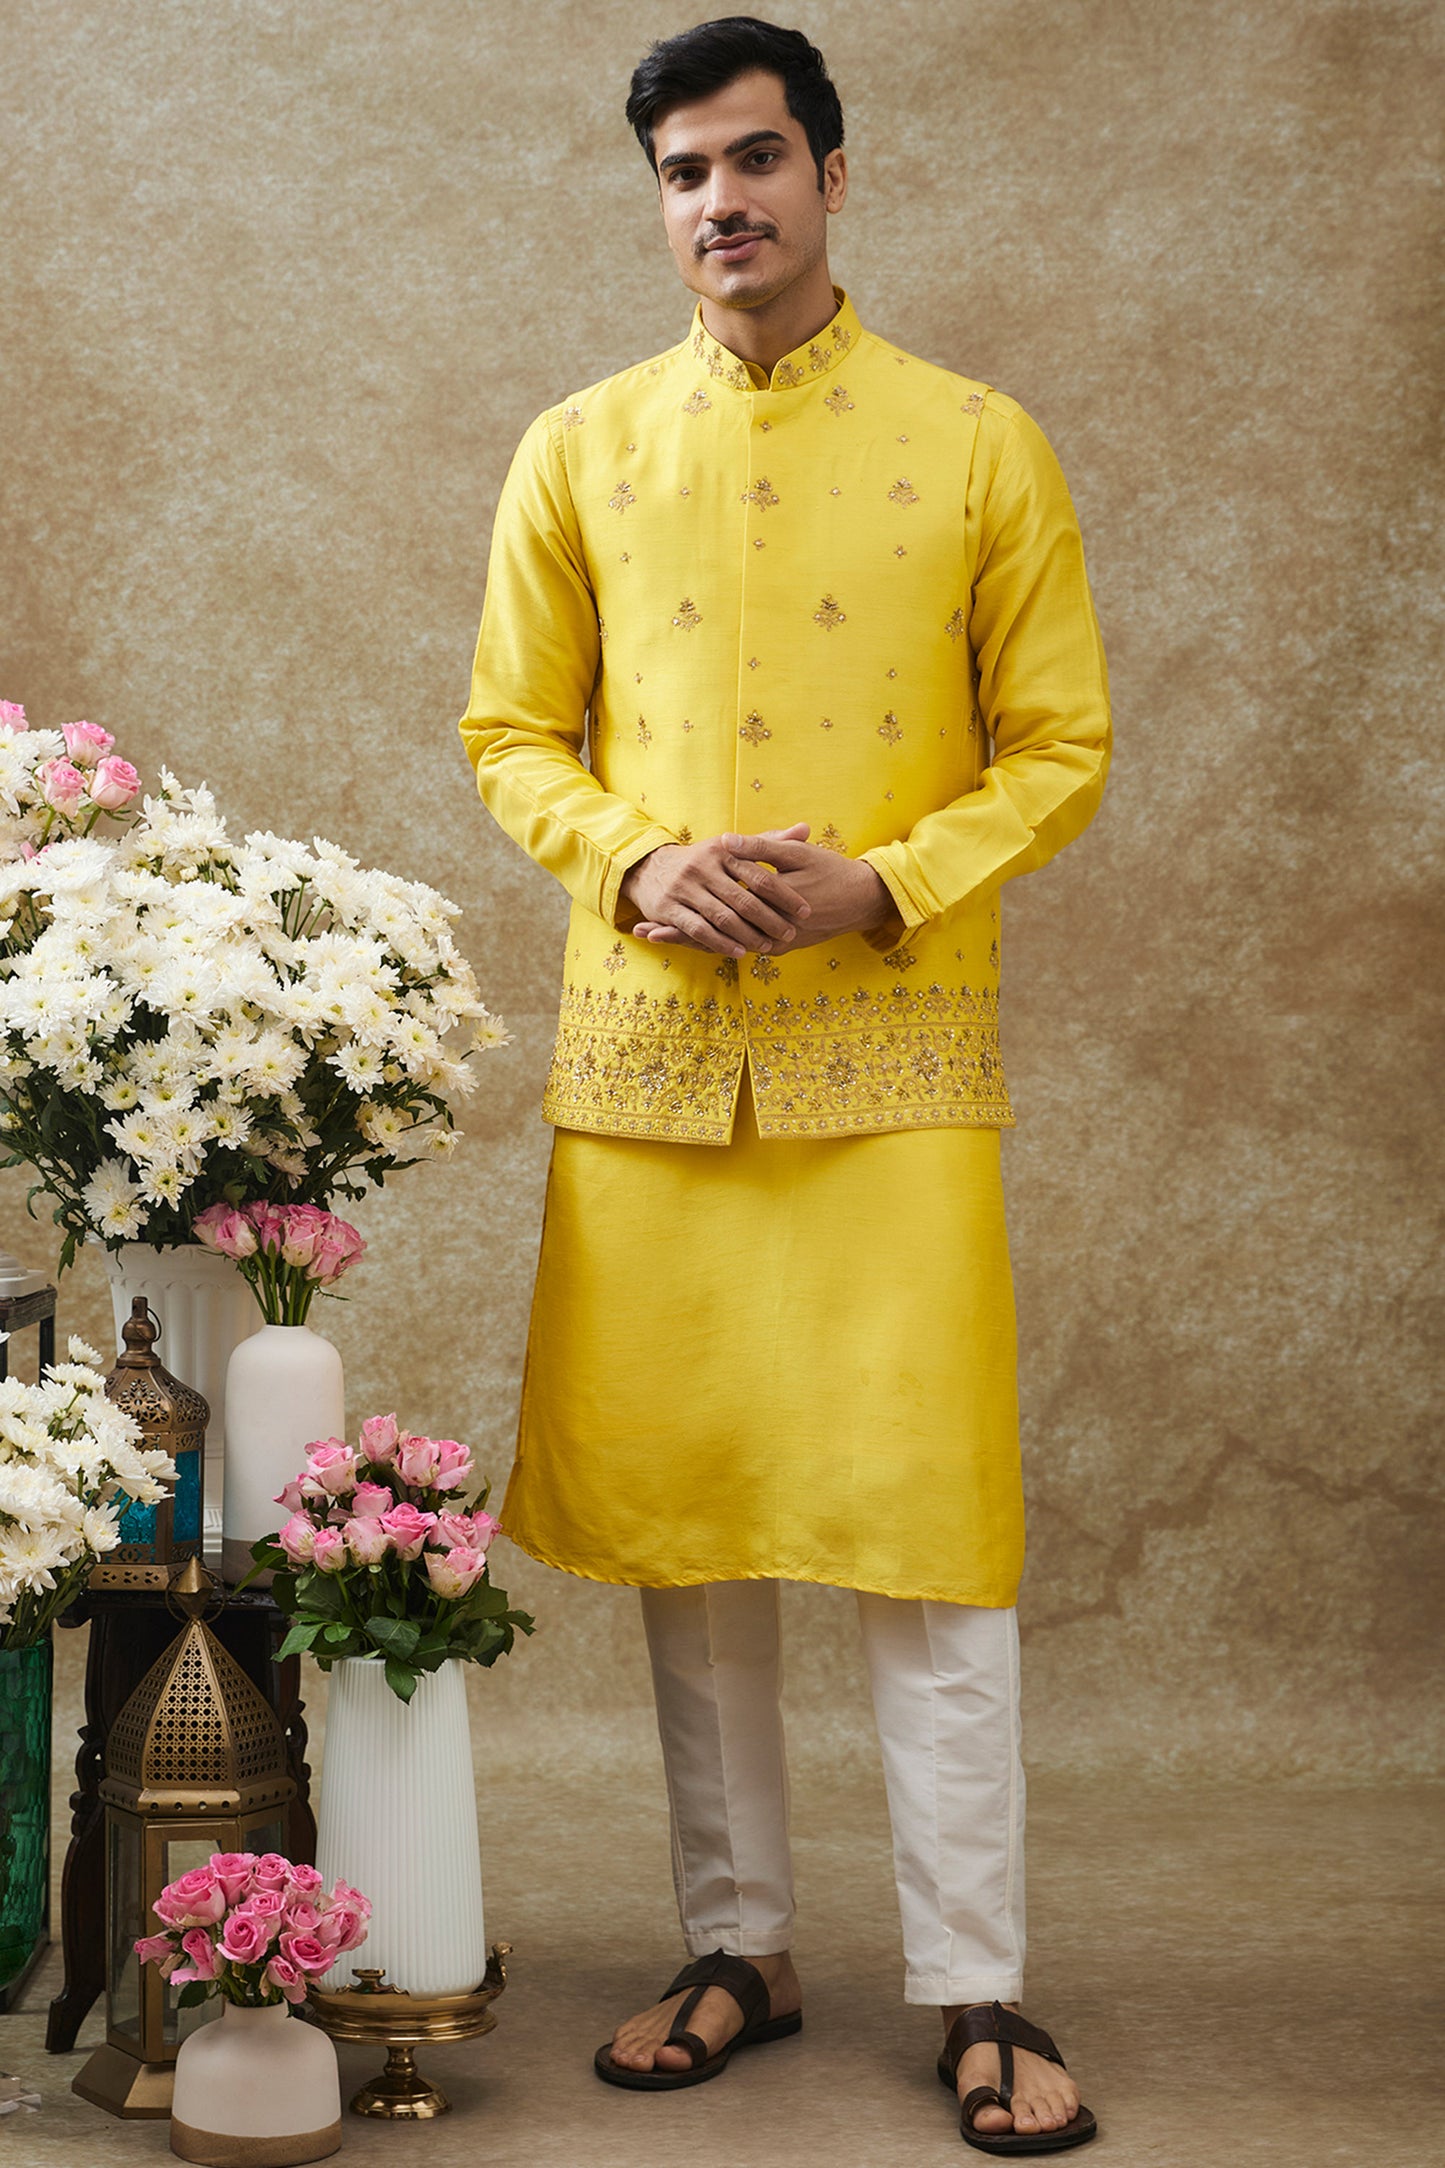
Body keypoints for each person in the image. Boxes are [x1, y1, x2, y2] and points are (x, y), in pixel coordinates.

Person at [458, 16, 1110, 2153]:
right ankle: (738, 1943)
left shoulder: (978, 443)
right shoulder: (578, 448)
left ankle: (978, 1980)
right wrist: (636, 861)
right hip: (653, 1062)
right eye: (682, 172)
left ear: (832, 174)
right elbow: (508, 734)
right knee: (693, 1527)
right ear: (656, 202)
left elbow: (1062, 746)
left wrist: (885, 882)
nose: (719, 201)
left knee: (927, 1526)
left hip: (890, 1057)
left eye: (755, 160)